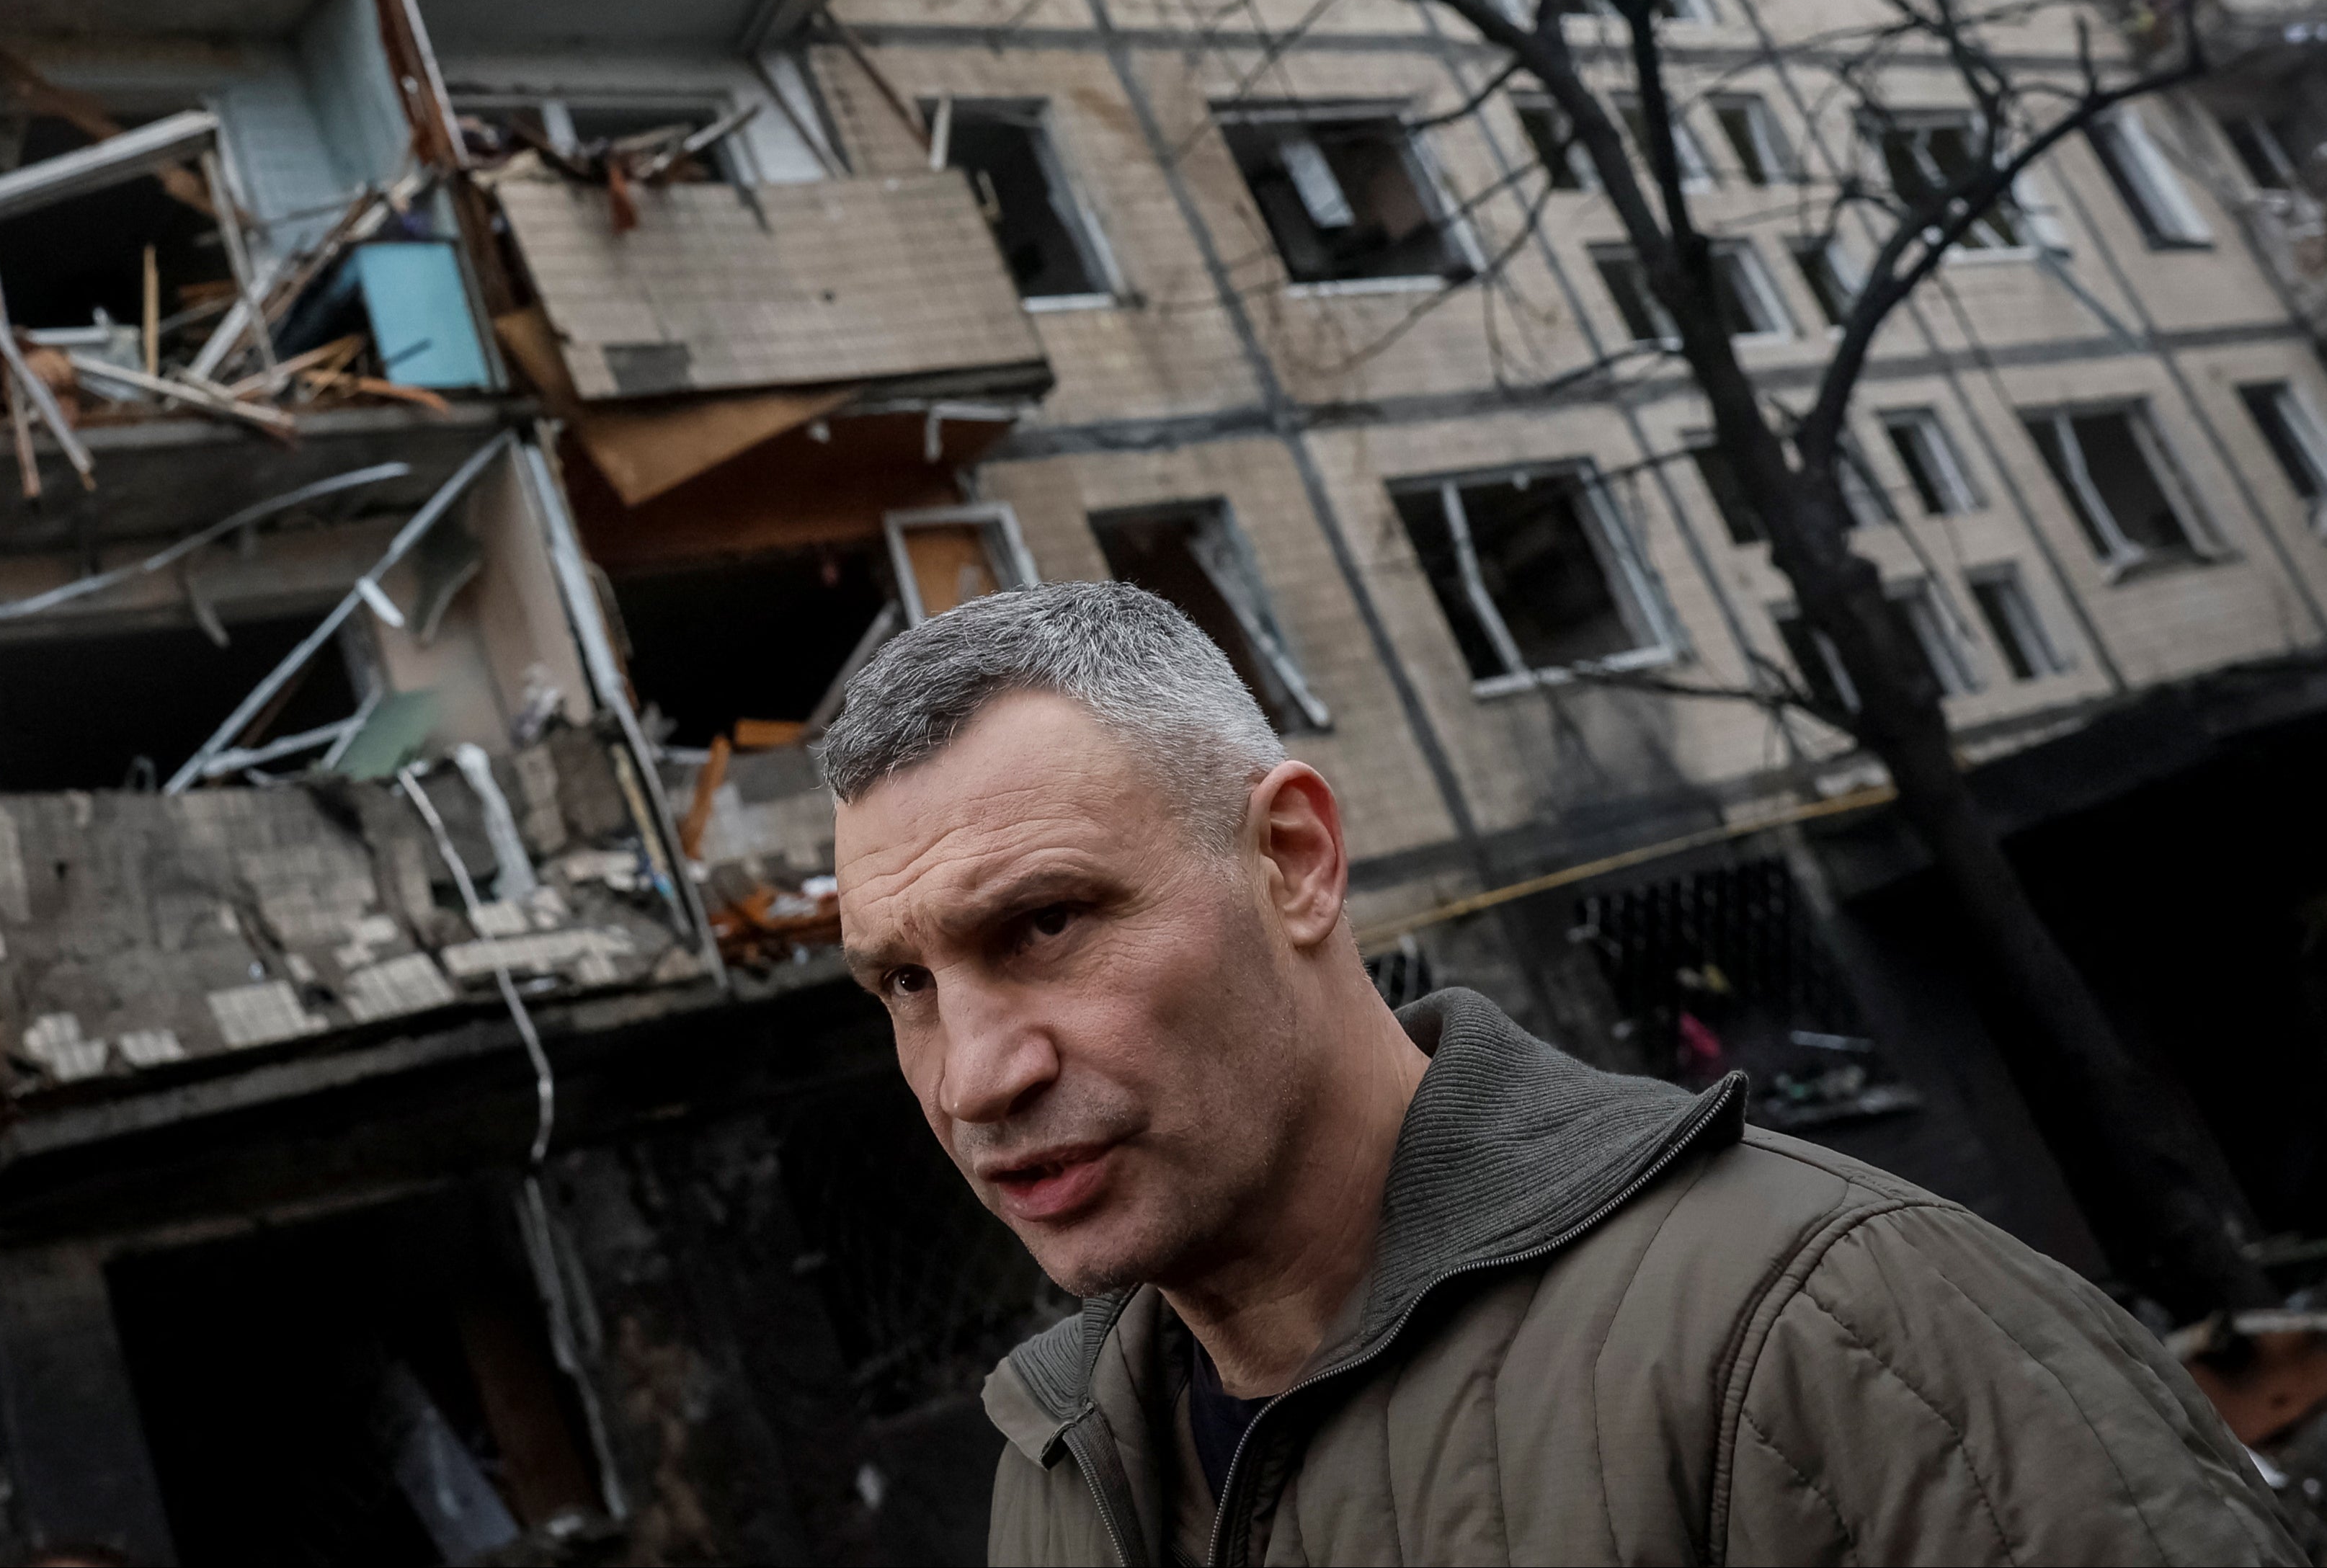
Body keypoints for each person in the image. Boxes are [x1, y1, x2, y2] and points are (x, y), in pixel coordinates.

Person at [820, 581, 2300, 1566]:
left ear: (1291, 861)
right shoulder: (1061, 1464)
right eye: (904, 983)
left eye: (1047, 922)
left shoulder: (1833, 1338)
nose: (974, 1076)